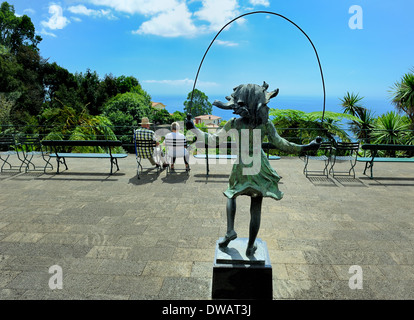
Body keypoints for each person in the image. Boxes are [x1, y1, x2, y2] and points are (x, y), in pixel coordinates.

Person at [186, 82, 320, 255]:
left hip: (241, 166)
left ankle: (230, 230)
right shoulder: (266, 125)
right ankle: (250, 246)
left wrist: (194, 129)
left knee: (231, 194)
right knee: (256, 206)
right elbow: (282, 144)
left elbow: (213, 141)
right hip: (259, 168)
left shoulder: (234, 123)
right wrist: (306, 148)